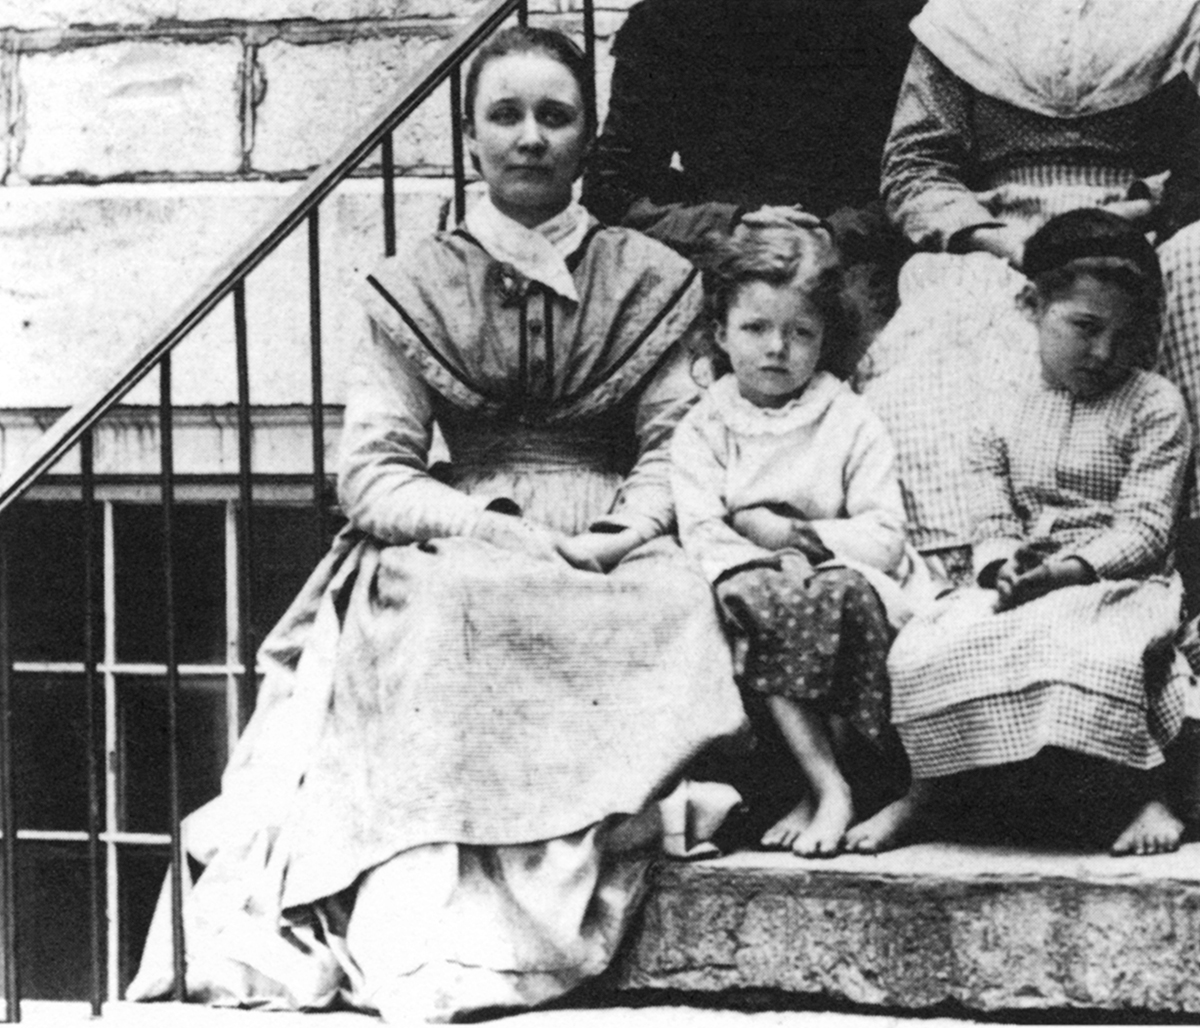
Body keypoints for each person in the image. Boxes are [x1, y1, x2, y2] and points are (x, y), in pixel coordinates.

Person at [127, 26, 745, 1023]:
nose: (531, 137)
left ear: (589, 136)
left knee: (678, 595)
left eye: (556, 115)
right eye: (506, 115)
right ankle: (446, 930)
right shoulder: (413, 282)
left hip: (611, 527)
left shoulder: (649, 275)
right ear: (471, 141)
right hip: (464, 529)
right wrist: (487, 525)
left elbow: (680, 438)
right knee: (446, 600)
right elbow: (372, 471)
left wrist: (628, 528)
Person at [847, 209, 1200, 857]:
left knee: (1096, 649)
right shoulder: (1004, 403)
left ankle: (1145, 794)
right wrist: (1002, 569)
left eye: (1125, 336)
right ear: (1033, 305)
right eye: (1085, 328)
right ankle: (931, 793)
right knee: (929, 643)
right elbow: (994, 516)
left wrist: (1064, 573)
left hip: (1117, 578)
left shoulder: (1154, 405)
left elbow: (1146, 529)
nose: (1103, 353)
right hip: (1025, 575)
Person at [859, 0, 1200, 586]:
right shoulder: (963, 18)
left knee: (1197, 265)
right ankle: (982, 572)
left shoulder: (1178, 13)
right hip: (1000, 239)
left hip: (1139, 228)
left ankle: (1189, 551)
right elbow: (916, 165)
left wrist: (1144, 205)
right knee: (959, 326)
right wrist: (998, 239)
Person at [670, 219, 926, 858]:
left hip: (841, 573)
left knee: (833, 597)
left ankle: (837, 785)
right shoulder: (704, 426)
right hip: (748, 578)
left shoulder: (847, 418)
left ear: (826, 340)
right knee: (766, 600)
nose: (776, 348)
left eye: (800, 332)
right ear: (720, 332)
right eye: (756, 328)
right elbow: (701, 528)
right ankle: (822, 783)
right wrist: (761, 560)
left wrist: (802, 539)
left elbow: (885, 532)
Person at [581, 0, 923, 351]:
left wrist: (832, 234)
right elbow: (610, 193)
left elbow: (927, 184)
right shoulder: (669, 19)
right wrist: (731, 227)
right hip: (716, 259)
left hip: (856, 257)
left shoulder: (895, 17)